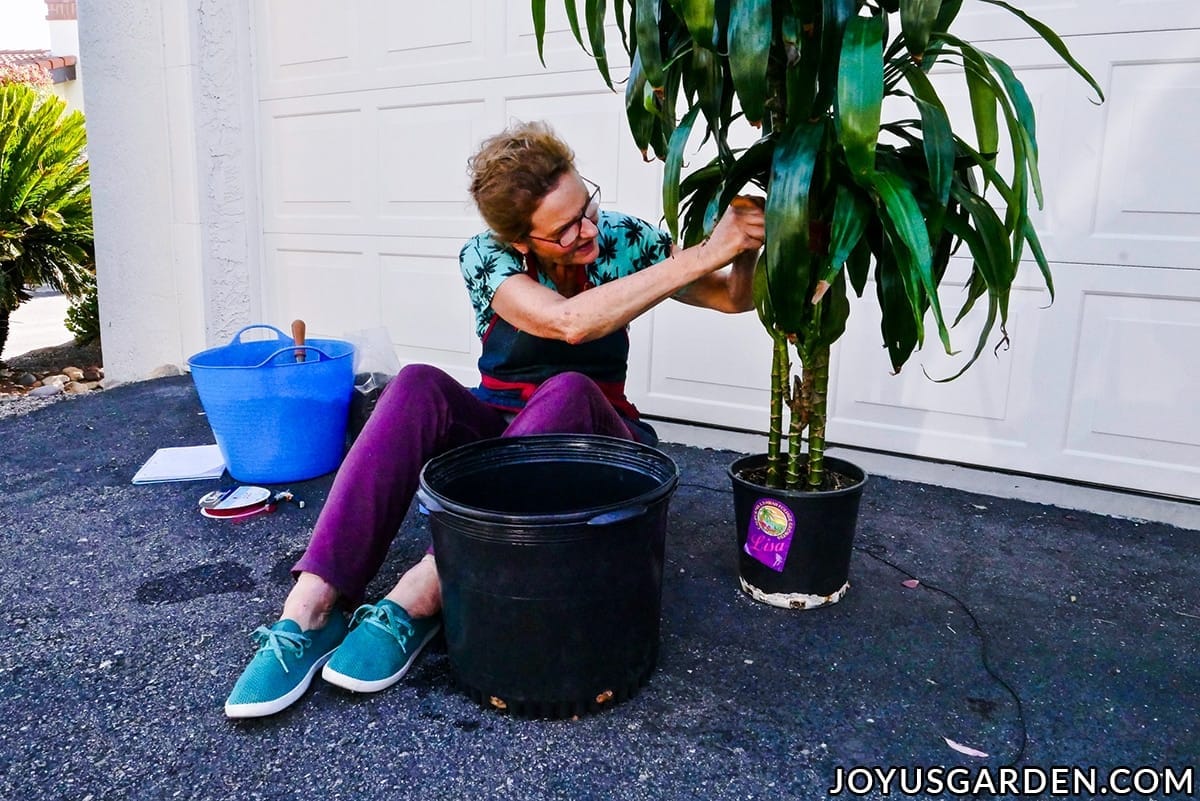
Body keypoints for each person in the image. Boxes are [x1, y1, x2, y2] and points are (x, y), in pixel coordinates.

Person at [224, 120, 766, 718]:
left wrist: (743, 248)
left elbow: (731, 297)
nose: (587, 231)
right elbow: (569, 323)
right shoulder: (486, 256)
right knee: (415, 385)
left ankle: (424, 594)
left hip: (601, 438)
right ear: (521, 242)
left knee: (566, 388)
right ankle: (312, 607)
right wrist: (700, 253)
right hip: (505, 431)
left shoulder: (624, 240)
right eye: (563, 231)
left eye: (586, 207)